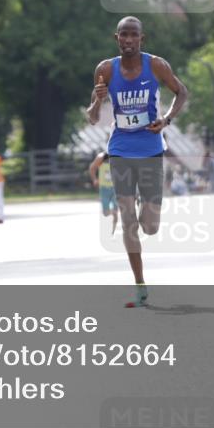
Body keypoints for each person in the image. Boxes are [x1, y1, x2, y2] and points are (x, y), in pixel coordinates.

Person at [87, 16, 188, 307]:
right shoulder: (105, 69)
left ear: (142, 39)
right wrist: (97, 101)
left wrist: (166, 119)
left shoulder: (156, 65)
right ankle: (140, 283)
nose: (128, 40)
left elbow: (182, 92)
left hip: (151, 149)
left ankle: (148, 205)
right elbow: (92, 118)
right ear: (116, 38)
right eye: (123, 35)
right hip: (119, 150)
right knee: (128, 221)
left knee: (151, 227)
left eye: (133, 35)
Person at [89, 151, 119, 234]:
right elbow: (92, 168)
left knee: (115, 211)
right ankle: (113, 212)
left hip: (116, 188)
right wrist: (94, 179)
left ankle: (113, 232)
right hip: (104, 189)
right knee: (105, 213)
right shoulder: (101, 157)